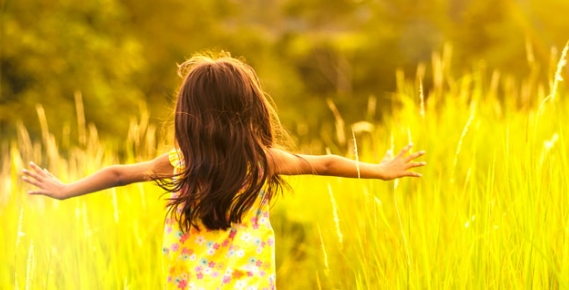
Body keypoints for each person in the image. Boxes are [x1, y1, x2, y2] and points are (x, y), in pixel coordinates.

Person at [22, 52, 426, 289]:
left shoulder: (181, 162)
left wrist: (64, 189)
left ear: (188, 113)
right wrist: (382, 170)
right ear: (249, 107)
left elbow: (117, 173)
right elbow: (325, 163)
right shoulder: (263, 160)